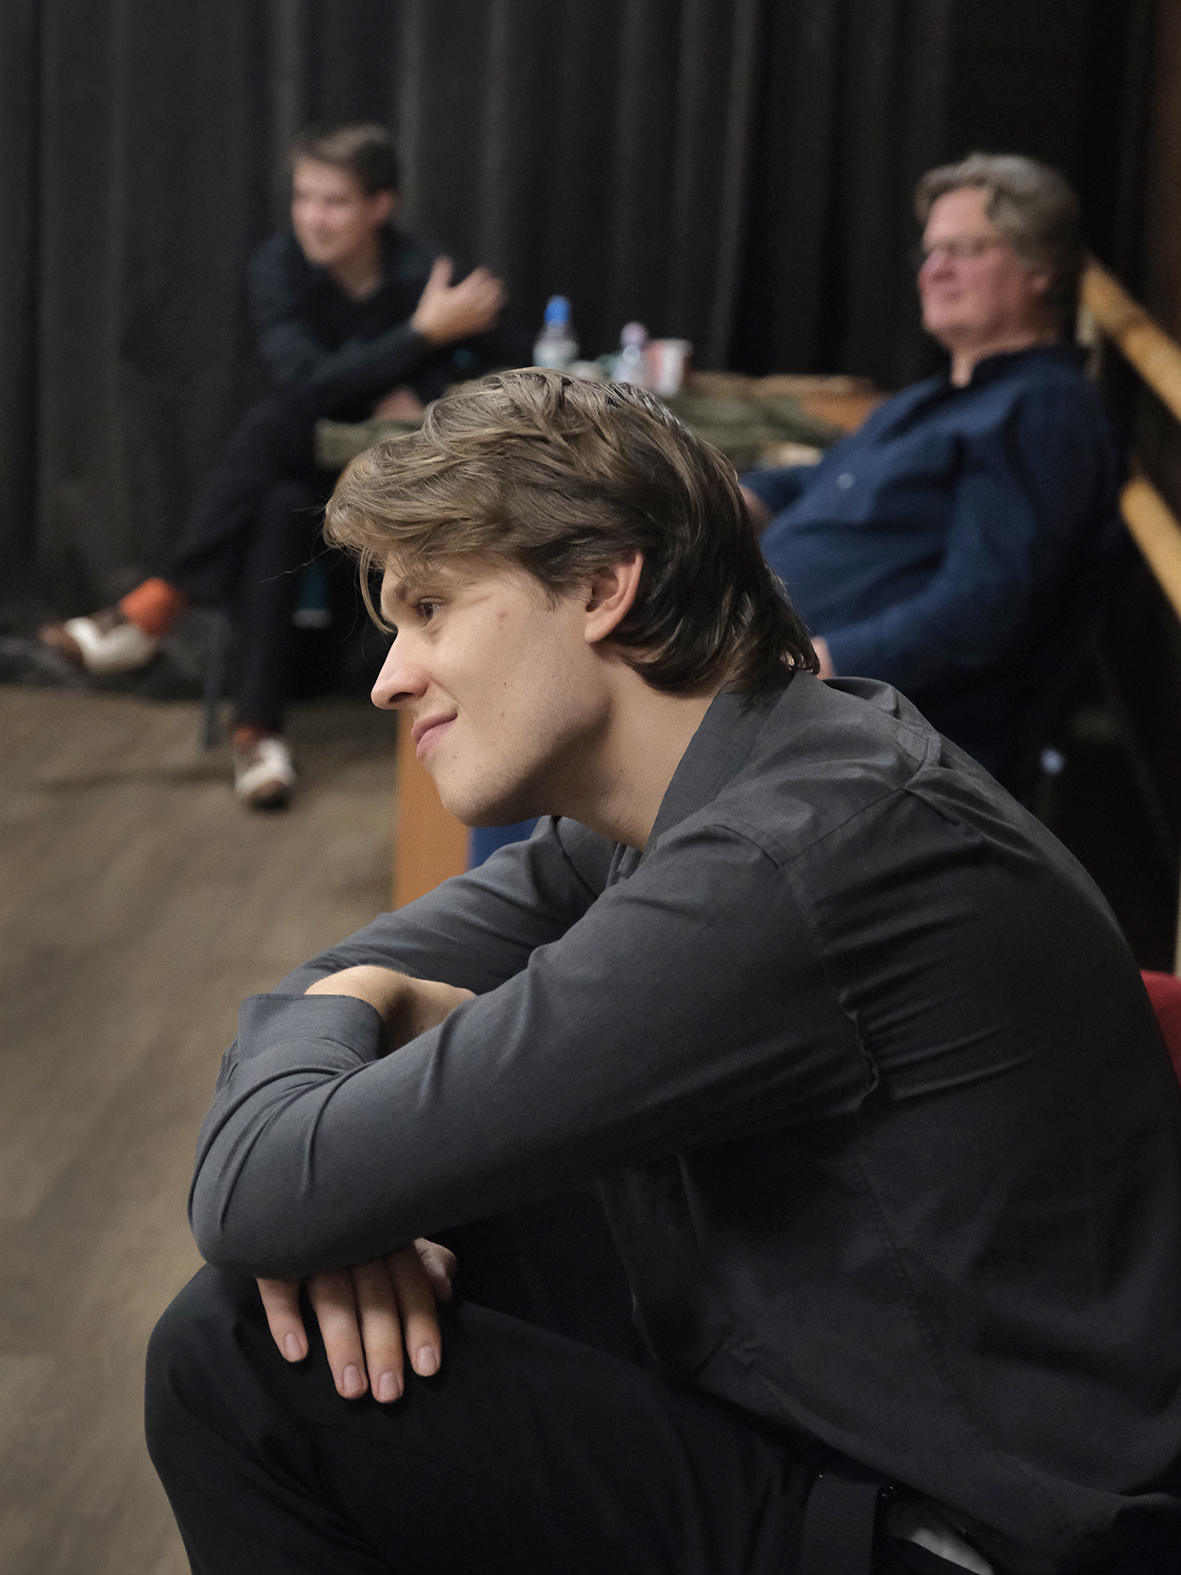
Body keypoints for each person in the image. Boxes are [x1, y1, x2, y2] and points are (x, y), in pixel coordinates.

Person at [145, 371, 1181, 1575]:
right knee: (312, 1284)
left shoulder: (785, 861)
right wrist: (359, 1015)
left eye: (429, 608)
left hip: (964, 1532)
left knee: (239, 1362)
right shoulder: (734, 770)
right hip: (827, 1371)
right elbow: (323, 1007)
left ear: (600, 585)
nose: (388, 677)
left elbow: (253, 1190)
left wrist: (342, 1123)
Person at [40, 123, 517, 808]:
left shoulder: (427, 270)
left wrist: (427, 384)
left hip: (402, 482)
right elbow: (309, 383)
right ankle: (256, 733)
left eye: (334, 202)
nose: (313, 218)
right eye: (303, 198)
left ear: (379, 206)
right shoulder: (277, 269)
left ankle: (157, 607)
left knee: (272, 428)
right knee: (274, 505)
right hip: (305, 473)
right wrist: (418, 336)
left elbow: (508, 359)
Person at [743, 154, 1125, 798]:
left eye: (963, 250)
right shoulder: (932, 397)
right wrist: (704, 501)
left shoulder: (1042, 413)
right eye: (929, 252)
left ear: (1040, 266)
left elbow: (981, 613)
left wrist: (805, 664)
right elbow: (818, 483)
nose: (933, 270)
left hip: (854, 734)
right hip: (763, 663)